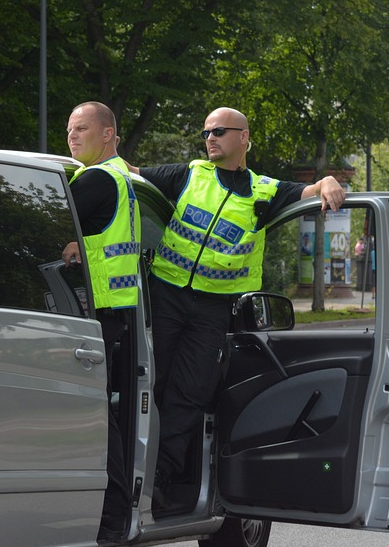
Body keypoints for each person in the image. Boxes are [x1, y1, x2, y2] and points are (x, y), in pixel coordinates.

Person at [135, 106, 346, 512]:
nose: (210, 137)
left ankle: (159, 479)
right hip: (166, 297)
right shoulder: (189, 174)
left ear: (244, 138)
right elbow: (128, 174)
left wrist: (330, 180)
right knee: (149, 385)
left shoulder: (265, 190)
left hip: (214, 311)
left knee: (188, 395)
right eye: (206, 131)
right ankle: (131, 471)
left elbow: (313, 189)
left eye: (219, 130)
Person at [61, 101, 140, 543]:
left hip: (92, 315)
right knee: (101, 414)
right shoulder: (122, 178)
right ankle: (114, 513)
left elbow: (36, 228)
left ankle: (110, 516)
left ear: (108, 134)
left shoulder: (94, 180)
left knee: (93, 417)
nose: (72, 136)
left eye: (83, 129)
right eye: (69, 129)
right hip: (114, 313)